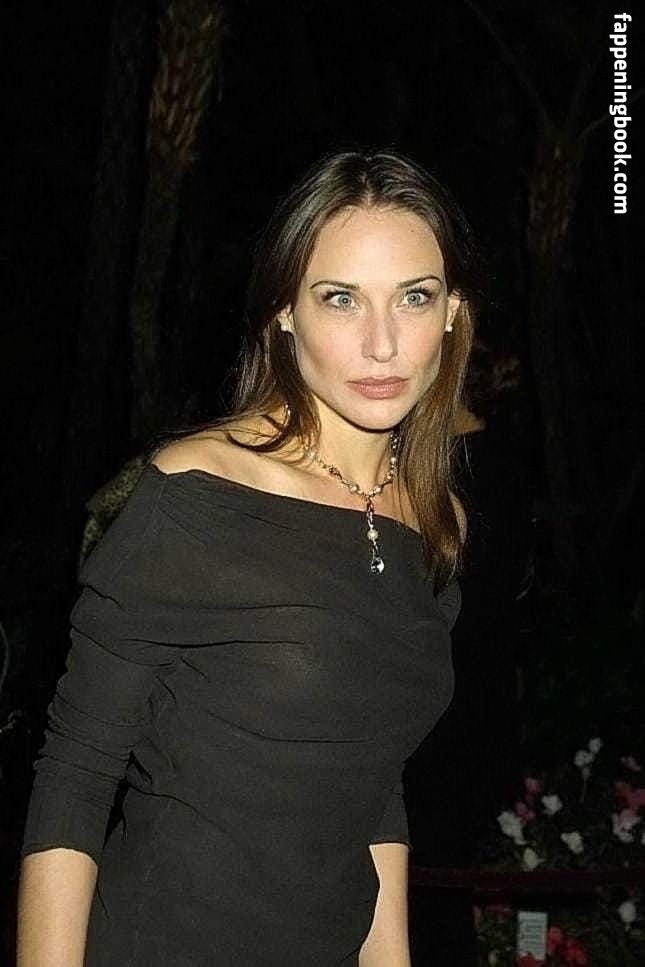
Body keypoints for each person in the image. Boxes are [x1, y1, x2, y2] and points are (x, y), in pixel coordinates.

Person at [17, 148, 479, 966]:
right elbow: (75, 776)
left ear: (450, 312)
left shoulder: (435, 520)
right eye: (340, 298)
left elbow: (372, 778)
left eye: (413, 296)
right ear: (284, 313)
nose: (382, 342)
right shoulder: (196, 496)